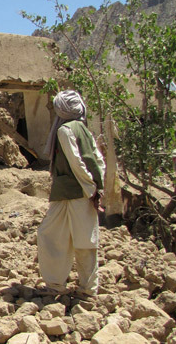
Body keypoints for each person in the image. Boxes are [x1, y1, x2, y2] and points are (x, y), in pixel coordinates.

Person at [37, 90, 105, 299]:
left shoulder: (65, 131)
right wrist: (97, 187)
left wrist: (91, 190)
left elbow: (76, 162)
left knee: (52, 236)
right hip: (77, 192)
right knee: (84, 240)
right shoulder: (83, 129)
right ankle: (86, 288)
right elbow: (98, 160)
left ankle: (58, 284)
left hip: (73, 192)